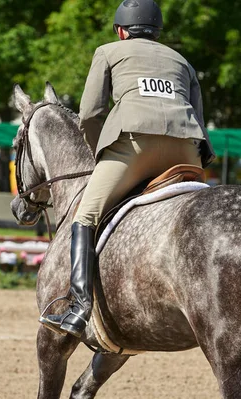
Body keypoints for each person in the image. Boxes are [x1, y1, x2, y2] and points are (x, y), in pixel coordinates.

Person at [40, 0, 216, 338]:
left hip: (134, 148)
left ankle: (78, 308)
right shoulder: (183, 62)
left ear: (121, 31)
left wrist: (99, 153)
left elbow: (90, 112)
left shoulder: (108, 52)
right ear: (157, 32)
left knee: (85, 217)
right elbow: (200, 119)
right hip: (186, 149)